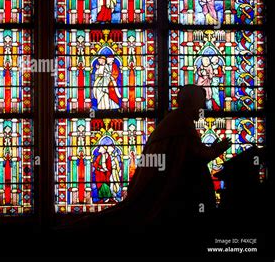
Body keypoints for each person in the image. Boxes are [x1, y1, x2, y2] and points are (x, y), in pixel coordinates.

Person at [65, 84, 231, 229]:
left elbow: (187, 155)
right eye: (201, 103)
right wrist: (218, 148)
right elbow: (197, 155)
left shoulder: (175, 120)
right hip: (168, 197)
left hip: (166, 190)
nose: (204, 107)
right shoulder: (181, 122)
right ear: (192, 103)